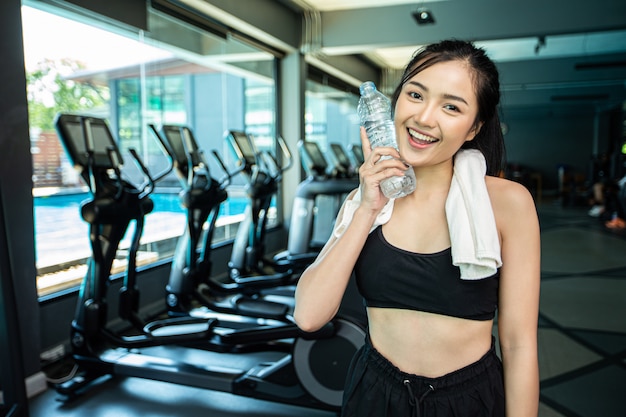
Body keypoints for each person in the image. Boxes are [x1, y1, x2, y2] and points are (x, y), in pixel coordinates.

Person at [294, 39, 540, 417]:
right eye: (415, 94)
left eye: (451, 106)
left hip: (468, 400)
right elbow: (309, 316)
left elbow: (519, 343)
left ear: (474, 127)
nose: (424, 118)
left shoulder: (508, 204)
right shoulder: (364, 201)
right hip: (374, 394)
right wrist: (366, 208)